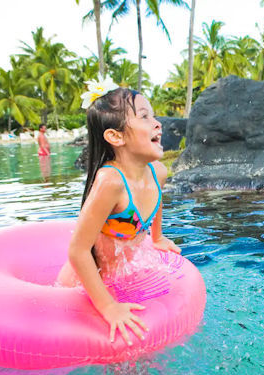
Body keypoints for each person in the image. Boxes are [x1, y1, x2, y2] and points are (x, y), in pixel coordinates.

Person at [56, 85, 180, 346]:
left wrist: (157, 237)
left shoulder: (158, 172)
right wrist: (109, 307)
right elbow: (78, 251)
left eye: (154, 116)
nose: (157, 123)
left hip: (122, 279)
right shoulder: (111, 181)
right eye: (144, 116)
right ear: (116, 136)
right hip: (84, 286)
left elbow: (156, 203)